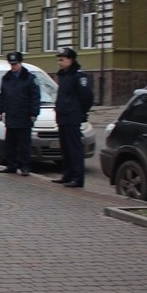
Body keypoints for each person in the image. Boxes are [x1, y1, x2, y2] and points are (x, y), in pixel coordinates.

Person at [52, 47, 94, 188]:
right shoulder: (63, 75)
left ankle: (77, 178)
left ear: (70, 60)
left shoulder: (78, 76)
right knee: (65, 149)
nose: (59, 62)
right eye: (59, 60)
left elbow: (87, 97)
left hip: (72, 117)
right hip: (62, 117)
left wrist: (81, 112)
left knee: (74, 149)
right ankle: (67, 175)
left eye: (62, 59)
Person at [0, 51, 39, 176]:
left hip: (24, 116)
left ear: (20, 63)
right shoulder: (7, 78)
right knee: (10, 143)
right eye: (11, 64)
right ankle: (11, 165)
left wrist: (34, 113)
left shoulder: (29, 78)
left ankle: (25, 167)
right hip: (11, 115)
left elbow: (35, 97)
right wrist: (0, 110)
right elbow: (2, 95)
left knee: (24, 144)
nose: (13, 66)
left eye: (15, 64)